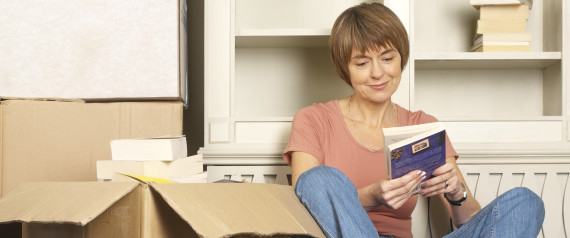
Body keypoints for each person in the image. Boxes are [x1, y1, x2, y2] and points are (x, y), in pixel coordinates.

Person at [283, 3, 545, 238]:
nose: (377, 73)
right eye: (362, 63)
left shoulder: (422, 125)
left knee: (525, 203)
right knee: (318, 179)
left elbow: (469, 222)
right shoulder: (313, 119)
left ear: (400, 59)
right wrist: (373, 195)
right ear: (345, 68)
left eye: (387, 59)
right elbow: (305, 208)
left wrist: (456, 193)